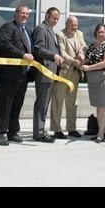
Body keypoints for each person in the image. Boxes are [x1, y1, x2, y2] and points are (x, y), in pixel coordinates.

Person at [0, 4, 33, 146]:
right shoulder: (8, 28)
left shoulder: (27, 30)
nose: (25, 16)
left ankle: (13, 131)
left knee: (17, 104)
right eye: (22, 13)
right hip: (8, 74)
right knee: (5, 104)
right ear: (16, 14)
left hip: (23, 75)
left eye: (27, 14)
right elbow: (5, 45)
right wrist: (22, 54)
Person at [50, 15, 87, 139]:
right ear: (67, 24)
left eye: (76, 25)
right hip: (63, 73)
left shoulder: (79, 33)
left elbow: (83, 45)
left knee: (72, 103)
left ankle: (71, 128)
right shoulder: (60, 35)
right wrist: (74, 61)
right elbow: (62, 53)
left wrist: (81, 54)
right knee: (58, 101)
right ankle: (56, 129)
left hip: (75, 74)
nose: (74, 28)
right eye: (72, 25)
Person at [32, 7, 64, 143]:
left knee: (45, 104)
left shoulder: (51, 31)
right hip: (44, 72)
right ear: (47, 16)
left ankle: (41, 130)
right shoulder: (41, 29)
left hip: (51, 73)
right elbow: (38, 48)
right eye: (53, 18)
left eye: (57, 19)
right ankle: (39, 133)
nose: (55, 21)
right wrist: (53, 55)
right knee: (42, 104)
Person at [80, 23, 105, 143]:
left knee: (102, 106)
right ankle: (101, 130)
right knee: (98, 106)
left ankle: (101, 133)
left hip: (103, 78)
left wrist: (89, 68)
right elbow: (87, 59)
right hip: (92, 79)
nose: (101, 34)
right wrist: (80, 60)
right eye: (99, 32)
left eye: (103, 32)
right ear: (96, 33)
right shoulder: (92, 46)